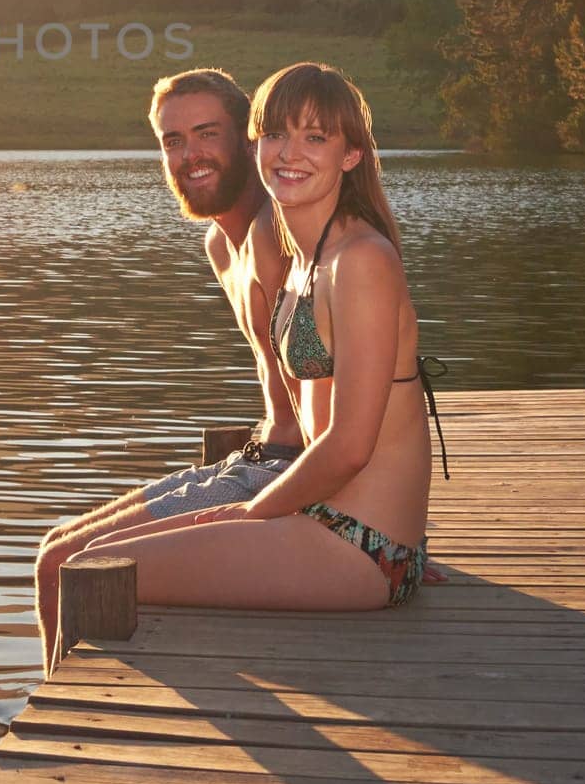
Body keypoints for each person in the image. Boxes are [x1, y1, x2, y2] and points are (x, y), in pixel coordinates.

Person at [54, 61, 439, 643]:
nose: (290, 153)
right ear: (258, 143)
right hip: (323, 518)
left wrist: (244, 512)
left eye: (316, 138)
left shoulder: (360, 260)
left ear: (352, 154)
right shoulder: (309, 254)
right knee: (83, 558)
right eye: (278, 134)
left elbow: (351, 446)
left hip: (364, 547)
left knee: (84, 569)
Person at [33, 67, 303, 671]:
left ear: (245, 138)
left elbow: (336, 397)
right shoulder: (219, 243)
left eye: (206, 134)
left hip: (285, 477)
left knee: (66, 565)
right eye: (172, 141)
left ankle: (69, 709)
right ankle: (54, 691)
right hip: (257, 458)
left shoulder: (273, 236)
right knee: (54, 549)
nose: (189, 155)